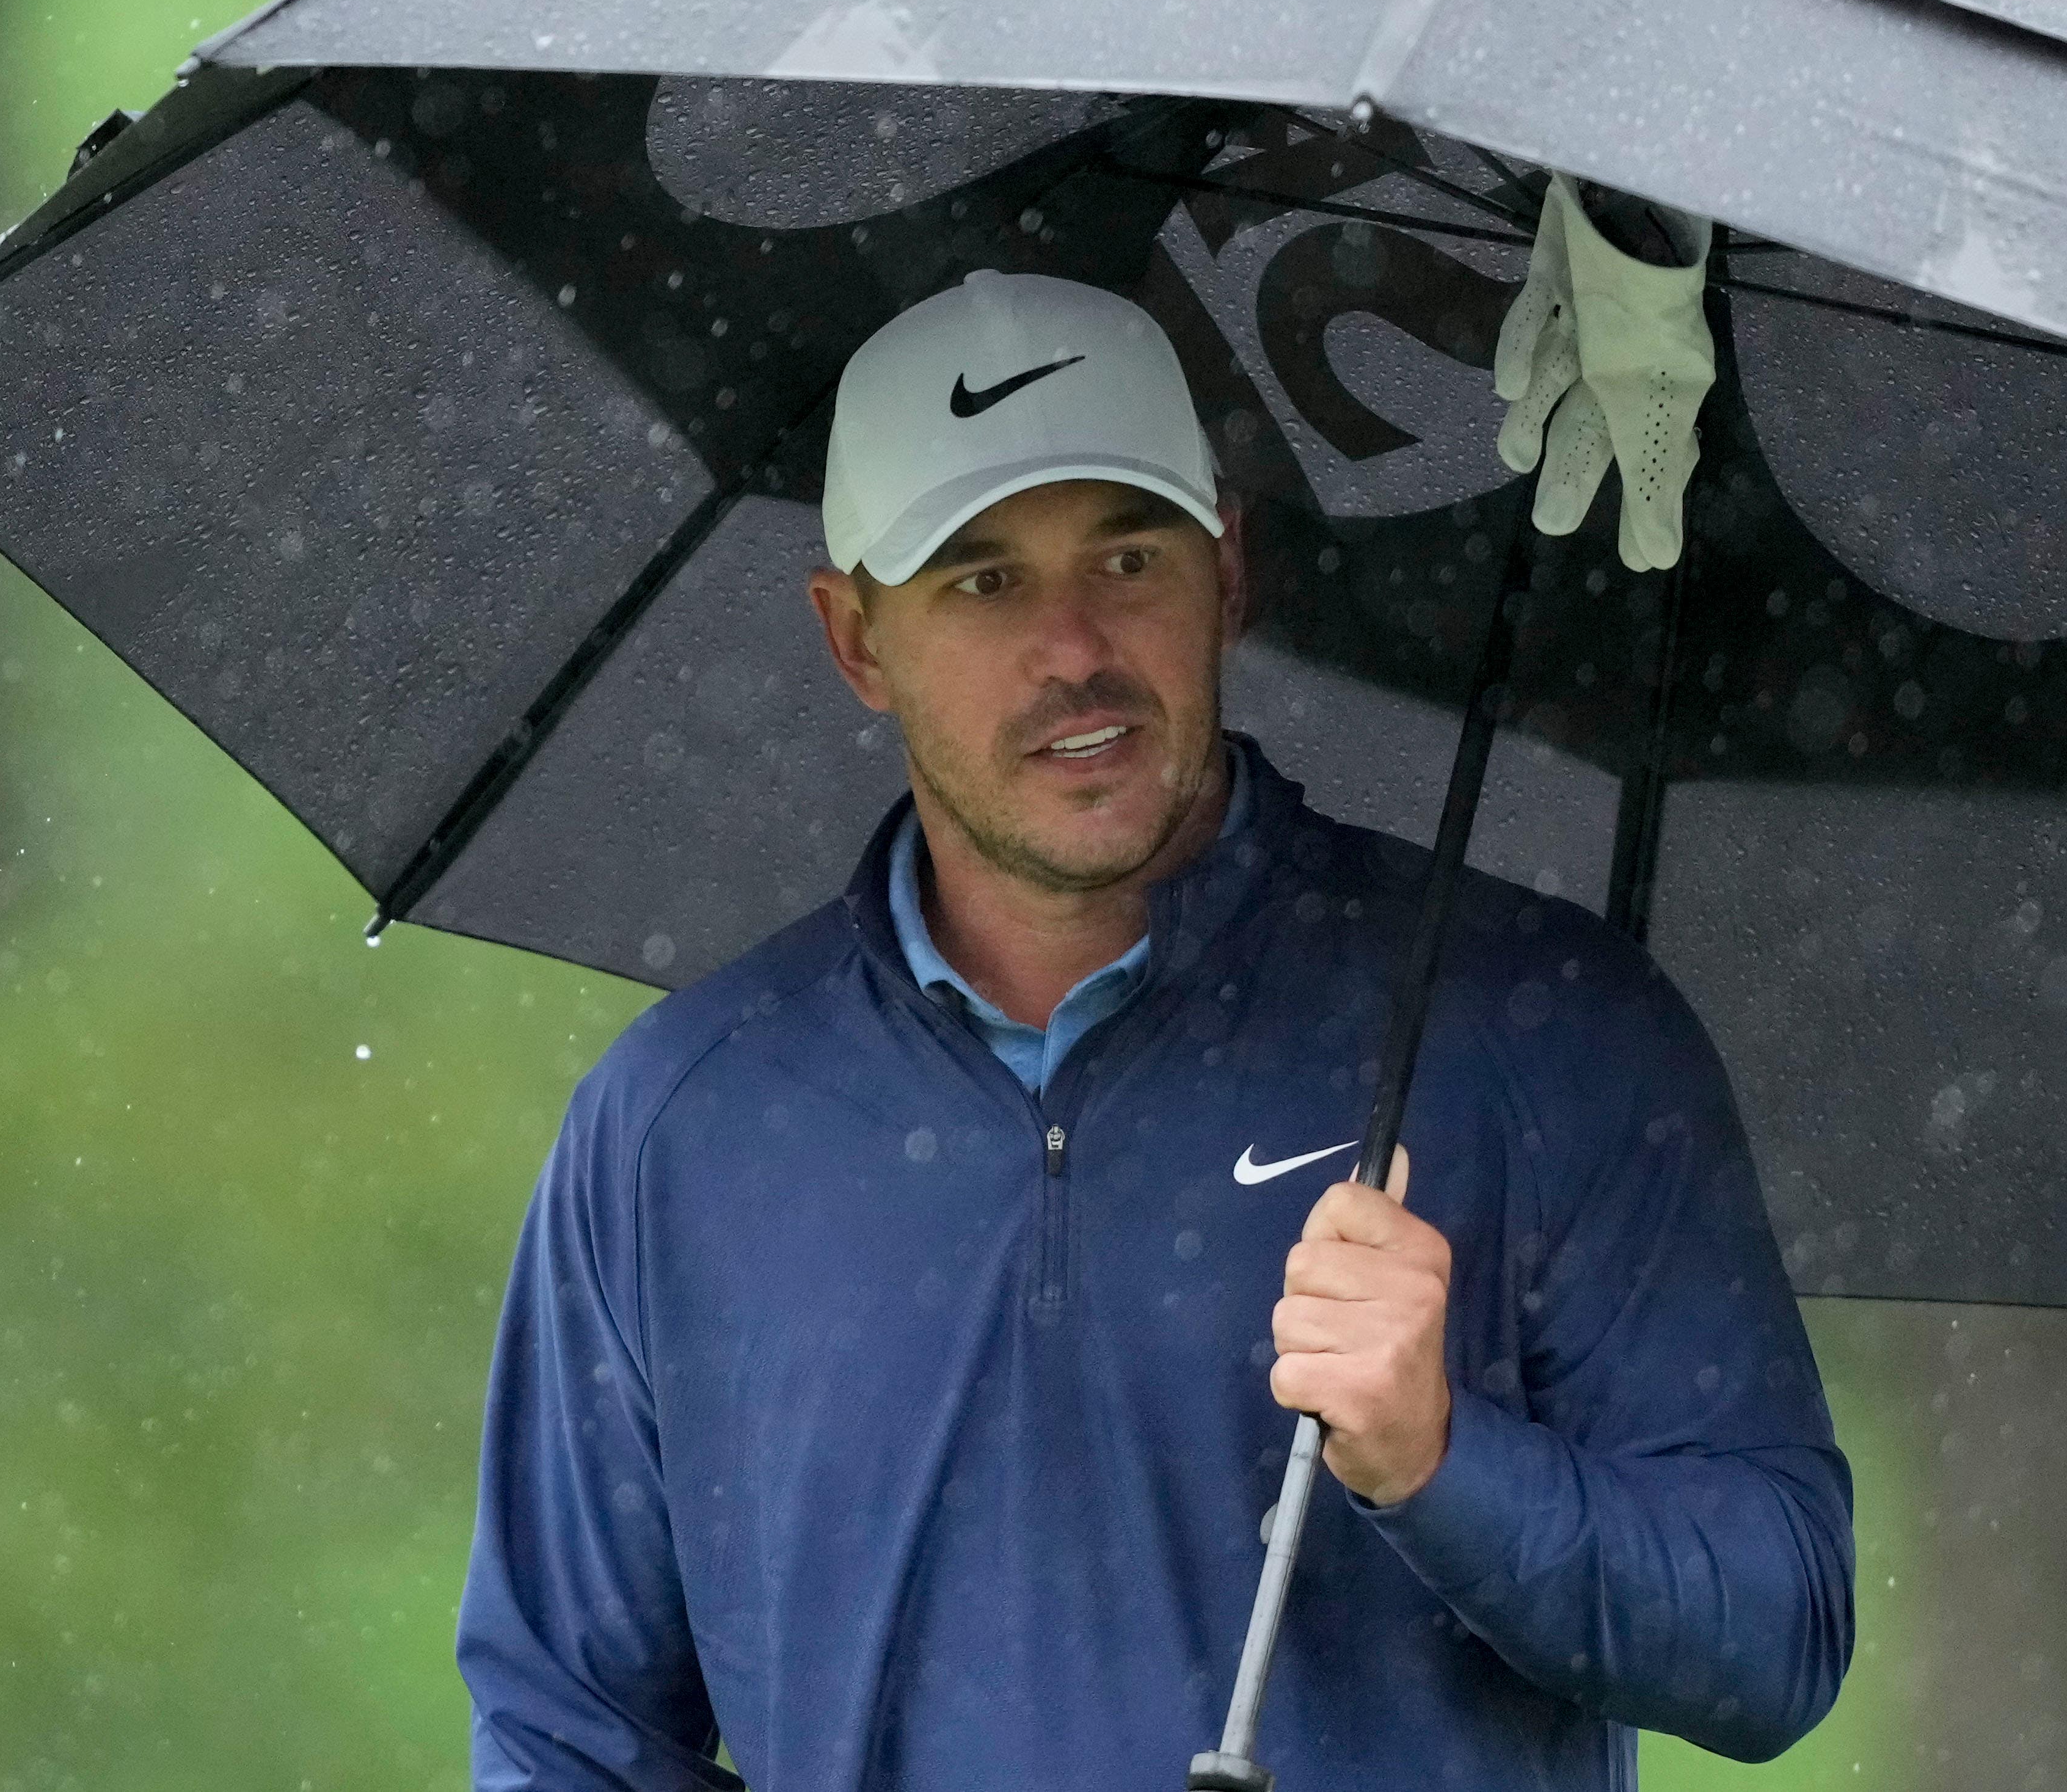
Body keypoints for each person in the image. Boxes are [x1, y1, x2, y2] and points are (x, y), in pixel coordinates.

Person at [456, 250, 1855, 1790]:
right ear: (855, 637)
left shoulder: (1541, 1029)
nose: (1074, 650)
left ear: (1228, 571)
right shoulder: (682, 1121)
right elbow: (568, 1728)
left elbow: (1772, 1629)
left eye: (1127, 559)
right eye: (983, 579)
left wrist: (1443, 1456)